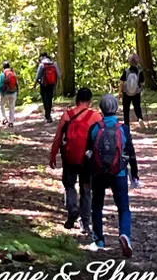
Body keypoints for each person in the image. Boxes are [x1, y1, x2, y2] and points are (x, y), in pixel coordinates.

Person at [87, 93, 139, 257]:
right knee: (123, 208)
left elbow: (88, 153)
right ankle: (124, 234)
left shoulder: (95, 128)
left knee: (97, 206)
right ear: (116, 109)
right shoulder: (123, 129)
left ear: (101, 109)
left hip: (98, 173)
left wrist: (87, 176)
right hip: (119, 172)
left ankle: (99, 240)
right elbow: (131, 153)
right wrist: (135, 175)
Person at [49, 87, 101, 232]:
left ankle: (72, 208)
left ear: (76, 99)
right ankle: (85, 223)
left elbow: (58, 137)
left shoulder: (67, 115)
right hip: (87, 159)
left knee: (69, 185)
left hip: (69, 157)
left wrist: (53, 155)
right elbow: (100, 140)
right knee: (86, 189)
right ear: (90, 101)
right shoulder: (96, 117)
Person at [119, 53, 145, 127]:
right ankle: (140, 118)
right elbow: (142, 84)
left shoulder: (126, 71)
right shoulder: (140, 72)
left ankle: (126, 124)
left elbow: (121, 82)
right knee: (137, 107)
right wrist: (140, 88)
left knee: (126, 109)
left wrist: (120, 92)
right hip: (136, 92)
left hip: (126, 92)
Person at [34, 52, 60, 122]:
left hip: (44, 85)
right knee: (50, 99)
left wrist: (35, 84)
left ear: (42, 57)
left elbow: (38, 76)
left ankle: (47, 116)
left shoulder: (42, 65)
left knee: (45, 100)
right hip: (52, 84)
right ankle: (48, 115)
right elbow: (59, 75)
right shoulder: (54, 63)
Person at [0, 61, 19, 128]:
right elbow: (16, 83)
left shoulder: (3, 74)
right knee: (12, 107)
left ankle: (4, 119)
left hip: (5, 93)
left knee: (1, 105)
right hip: (13, 92)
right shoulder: (13, 73)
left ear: (3, 67)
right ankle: (11, 122)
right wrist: (17, 92)